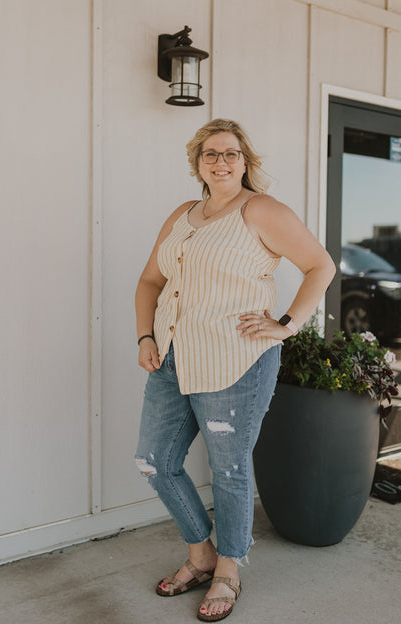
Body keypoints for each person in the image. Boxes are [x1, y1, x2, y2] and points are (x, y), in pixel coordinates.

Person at [134, 118, 336, 621]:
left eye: (230, 153)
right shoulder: (183, 214)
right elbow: (149, 281)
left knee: (228, 468)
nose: (220, 162)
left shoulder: (262, 210)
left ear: (245, 161)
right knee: (154, 461)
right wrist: (144, 336)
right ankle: (200, 555)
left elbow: (321, 265)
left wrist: (287, 324)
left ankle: (228, 567)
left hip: (235, 360)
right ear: (197, 163)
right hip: (171, 357)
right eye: (210, 154)